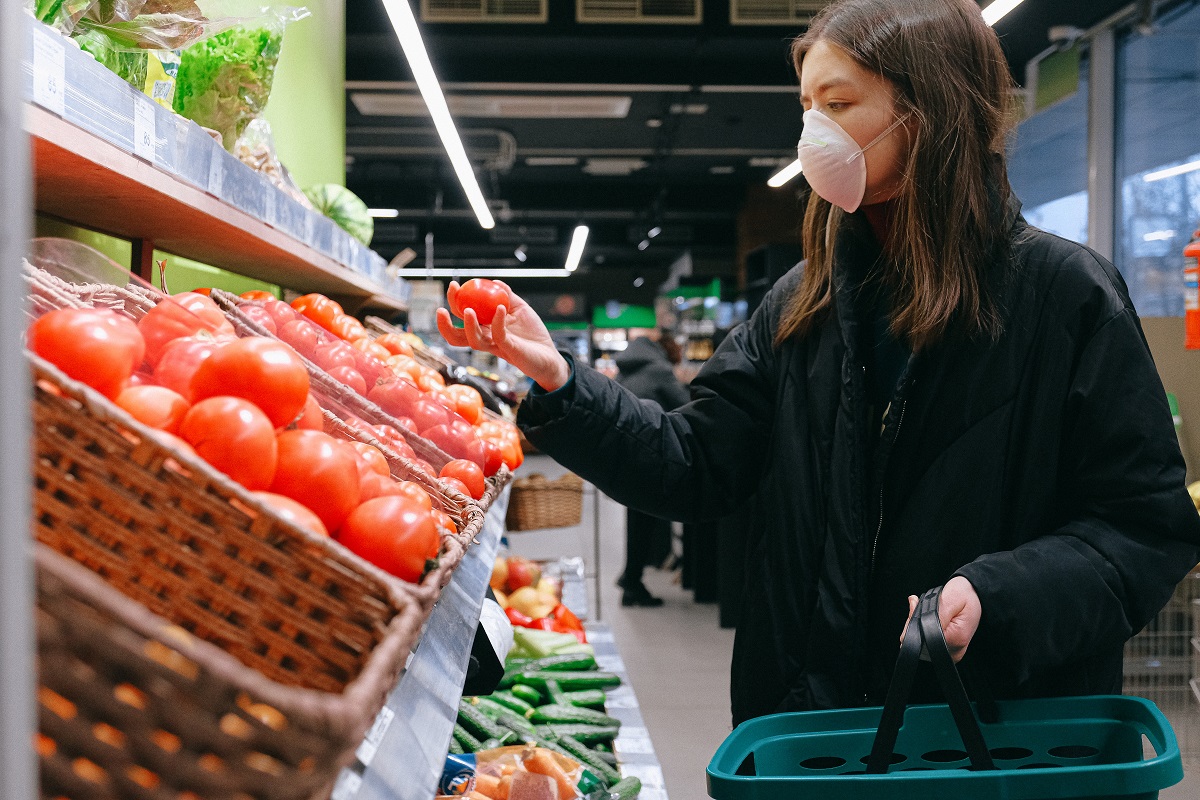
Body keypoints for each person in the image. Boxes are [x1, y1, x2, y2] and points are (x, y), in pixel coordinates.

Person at [438, 0, 1200, 726]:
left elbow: (1145, 528)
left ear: (927, 111)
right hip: (815, 731)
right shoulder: (801, 305)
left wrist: (999, 594)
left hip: (992, 741)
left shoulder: (1063, 298)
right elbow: (695, 463)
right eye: (806, 106)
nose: (812, 133)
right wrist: (561, 383)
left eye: (837, 104)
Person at [612, 330, 691, 607]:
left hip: (625, 454)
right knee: (645, 520)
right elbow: (686, 407)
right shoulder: (659, 370)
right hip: (649, 455)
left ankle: (631, 578)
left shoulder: (626, 368)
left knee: (638, 519)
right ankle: (632, 582)